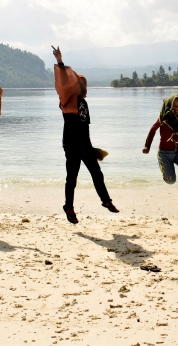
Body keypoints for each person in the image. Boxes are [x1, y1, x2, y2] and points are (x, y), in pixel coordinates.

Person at [52, 46, 118, 224]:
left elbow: (85, 128)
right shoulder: (67, 101)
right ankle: (69, 206)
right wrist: (60, 61)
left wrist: (92, 148)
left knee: (97, 173)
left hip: (85, 144)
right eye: (81, 83)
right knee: (72, 178)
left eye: (85, 83)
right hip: (72, 144)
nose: (84, 86)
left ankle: (106, 200)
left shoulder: (85, 104)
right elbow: (64, 81)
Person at [143, 93, 178, 184]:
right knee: (171, 181)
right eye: (175, 105)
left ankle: (177, 165)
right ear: (170, 105)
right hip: (164, 153)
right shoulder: (163, 118)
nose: (177, 108)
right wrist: (147, 146)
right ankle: (166, 169)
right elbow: (153, 129)